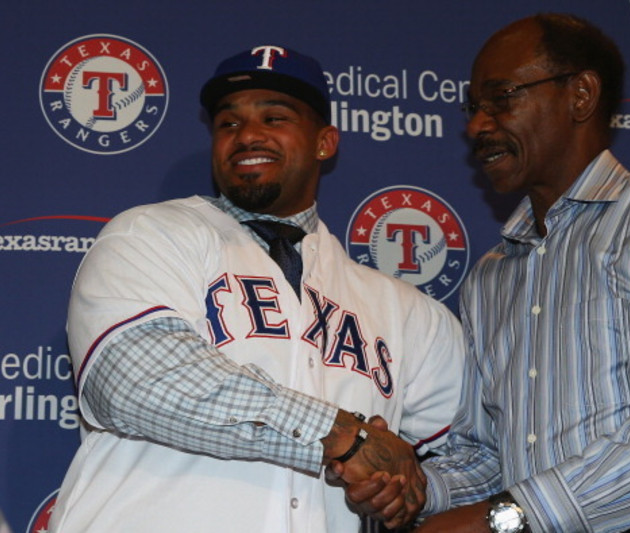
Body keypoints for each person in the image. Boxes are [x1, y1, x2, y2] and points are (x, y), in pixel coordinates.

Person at [341, 12, 630, 533]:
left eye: (502, 98)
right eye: (473, 107)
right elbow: (489, 455)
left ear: (581, 95)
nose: (478, 125)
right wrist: (413, 484)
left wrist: (505, 517)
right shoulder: (491, 276)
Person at [48, 43, 464, 533]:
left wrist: (405, 489)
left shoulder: (407, 311)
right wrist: (340, 436)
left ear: (325, 142)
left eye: (275, 118)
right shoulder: (149, 235)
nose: (246, 135)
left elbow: (471, 455)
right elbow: (134, 378)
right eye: (228, 123)